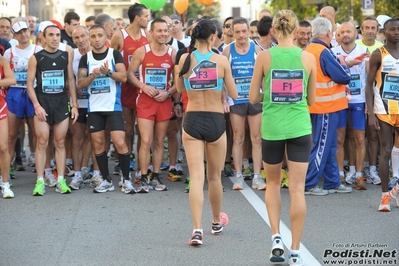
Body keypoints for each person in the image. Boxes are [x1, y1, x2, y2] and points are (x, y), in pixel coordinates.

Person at [250, 9, 316, 266]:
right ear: (297, 30)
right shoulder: (308, 58)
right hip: (300, 127)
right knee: (297, 189)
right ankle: (296, 250)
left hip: (273, 129)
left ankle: (276, 236)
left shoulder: (264, 57)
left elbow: (254, 97)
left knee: (274, 184)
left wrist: (270, 91)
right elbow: (312, 100)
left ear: (274, 30)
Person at [175, 18, 237, 245]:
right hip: (215, 120)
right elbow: (234, 93)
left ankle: (197, 230)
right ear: (213, 37)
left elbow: (179, 88)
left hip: (192, 119)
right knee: (214, 177)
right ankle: (215, 221)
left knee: (196, 177)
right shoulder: (221, 60)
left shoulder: (184, 58)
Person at [77, 24, 134, 194]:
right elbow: (80, 84)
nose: (96, 39)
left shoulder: (114, 54)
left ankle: (126, 179)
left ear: (105, 37)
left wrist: (108, 72)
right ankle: (106, 180)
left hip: (113, 107)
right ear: (89, 39)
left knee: (120, 142)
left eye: (100, 35)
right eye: (93, 36)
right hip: (94, 108)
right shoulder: (85, 58)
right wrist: (93, 76)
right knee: (98, 144)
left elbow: (124, 77)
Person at [26, 25, 79, 195]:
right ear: (43, 37)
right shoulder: (36, 58)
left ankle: (61, 180)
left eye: (57, 35)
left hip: (61, 103)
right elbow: (29, 84)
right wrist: (36, 105)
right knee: (42, 142)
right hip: (43, 103)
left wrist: (74, 105)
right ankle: (40, 181)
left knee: (60, 142)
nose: (55, 38)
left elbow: (71, 80)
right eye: (51, 35)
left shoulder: (65, 56)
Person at [127, 18, 178, 192]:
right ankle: (143, 177)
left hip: (163, 101)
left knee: (159, 141)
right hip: (145, 102)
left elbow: (179, 82)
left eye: (165, 31)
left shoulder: (173, 53)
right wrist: (143, 86)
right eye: (159, 31)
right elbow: (129, 75)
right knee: (146, 141)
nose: (163, 34)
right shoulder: (142, 52)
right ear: (151, 33)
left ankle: (155, 177)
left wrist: (169, 93)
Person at [304, 17, 353, 195]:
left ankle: (332, 181)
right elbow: (342, 76)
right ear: (328, 33)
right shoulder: (322, 51)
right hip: (324, 106)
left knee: (329, 145)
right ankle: (309, 183)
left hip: (322, 106)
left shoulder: (311, 49)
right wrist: (345, 66)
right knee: (322, 146)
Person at [222, 17, 265, 190]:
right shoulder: (227, 51)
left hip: (254, 99)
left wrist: (265, 98)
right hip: (236, 100)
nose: (241, 35)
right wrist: (224, 99)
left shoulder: (256, 49)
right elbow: (223, 78)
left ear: (249, 31)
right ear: (232, 32)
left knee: (256, 138)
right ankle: (238, 176)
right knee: (238, 138)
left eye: (244, 31)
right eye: (237, 31)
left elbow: (262, 75)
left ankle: (256, 176)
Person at [111, 3, 151, 179]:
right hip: (125, 89)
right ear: (137, 18)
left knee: (143, 131)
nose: (148, 19)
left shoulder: (147, 35)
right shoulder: (120, 36)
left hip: (141, 88)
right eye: (146, 16)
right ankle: (125, 160)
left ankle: (142, 164)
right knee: (127, 130)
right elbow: (112, 61)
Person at [365, 18, 399, 212]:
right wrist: (370, 113)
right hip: (384, 109)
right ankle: (385, 195)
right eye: (392, 29)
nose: (396, 32)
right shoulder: (378, 54)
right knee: (385, 151)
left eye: (398, 29)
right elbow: (369, 85)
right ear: (384, 33)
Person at [332, 22, 369, 189]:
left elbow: (370, 79)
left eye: (348, 31)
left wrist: (370, 101)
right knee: (339, 139)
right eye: (342, 32)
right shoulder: (332, 53)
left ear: (356, 33)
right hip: (339, 100)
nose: (345, 34)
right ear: (337, 35)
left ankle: (359, 175)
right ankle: (339, 175)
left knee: (359, 139)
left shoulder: (364, 52)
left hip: (359, 100)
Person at [4, 21, 42, 181]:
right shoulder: (8, 53)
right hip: (15, 93)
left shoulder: (37, 50)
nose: (23, 34)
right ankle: (8, 166)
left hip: (33, 92)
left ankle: (40, 167)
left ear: (29, 31)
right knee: (12, 135)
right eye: (19, 32)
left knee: (37, 133)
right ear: (14, 35)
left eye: (25, 30)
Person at [356, 16, 384, 185]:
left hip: (376, 95)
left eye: (373, 28)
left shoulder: (382, 48)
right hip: (356, 96)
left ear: (378, 30)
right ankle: (355, 167)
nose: (370, 31)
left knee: (374, 133)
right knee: (356, 134)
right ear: (361, 30)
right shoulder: (356, 47)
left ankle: (373, 169)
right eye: (367, 27)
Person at [0, 54, 17, 198]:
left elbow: (12, 79)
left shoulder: (2, 60)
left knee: (3, 147)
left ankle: (5, 184)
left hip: (0, 105)